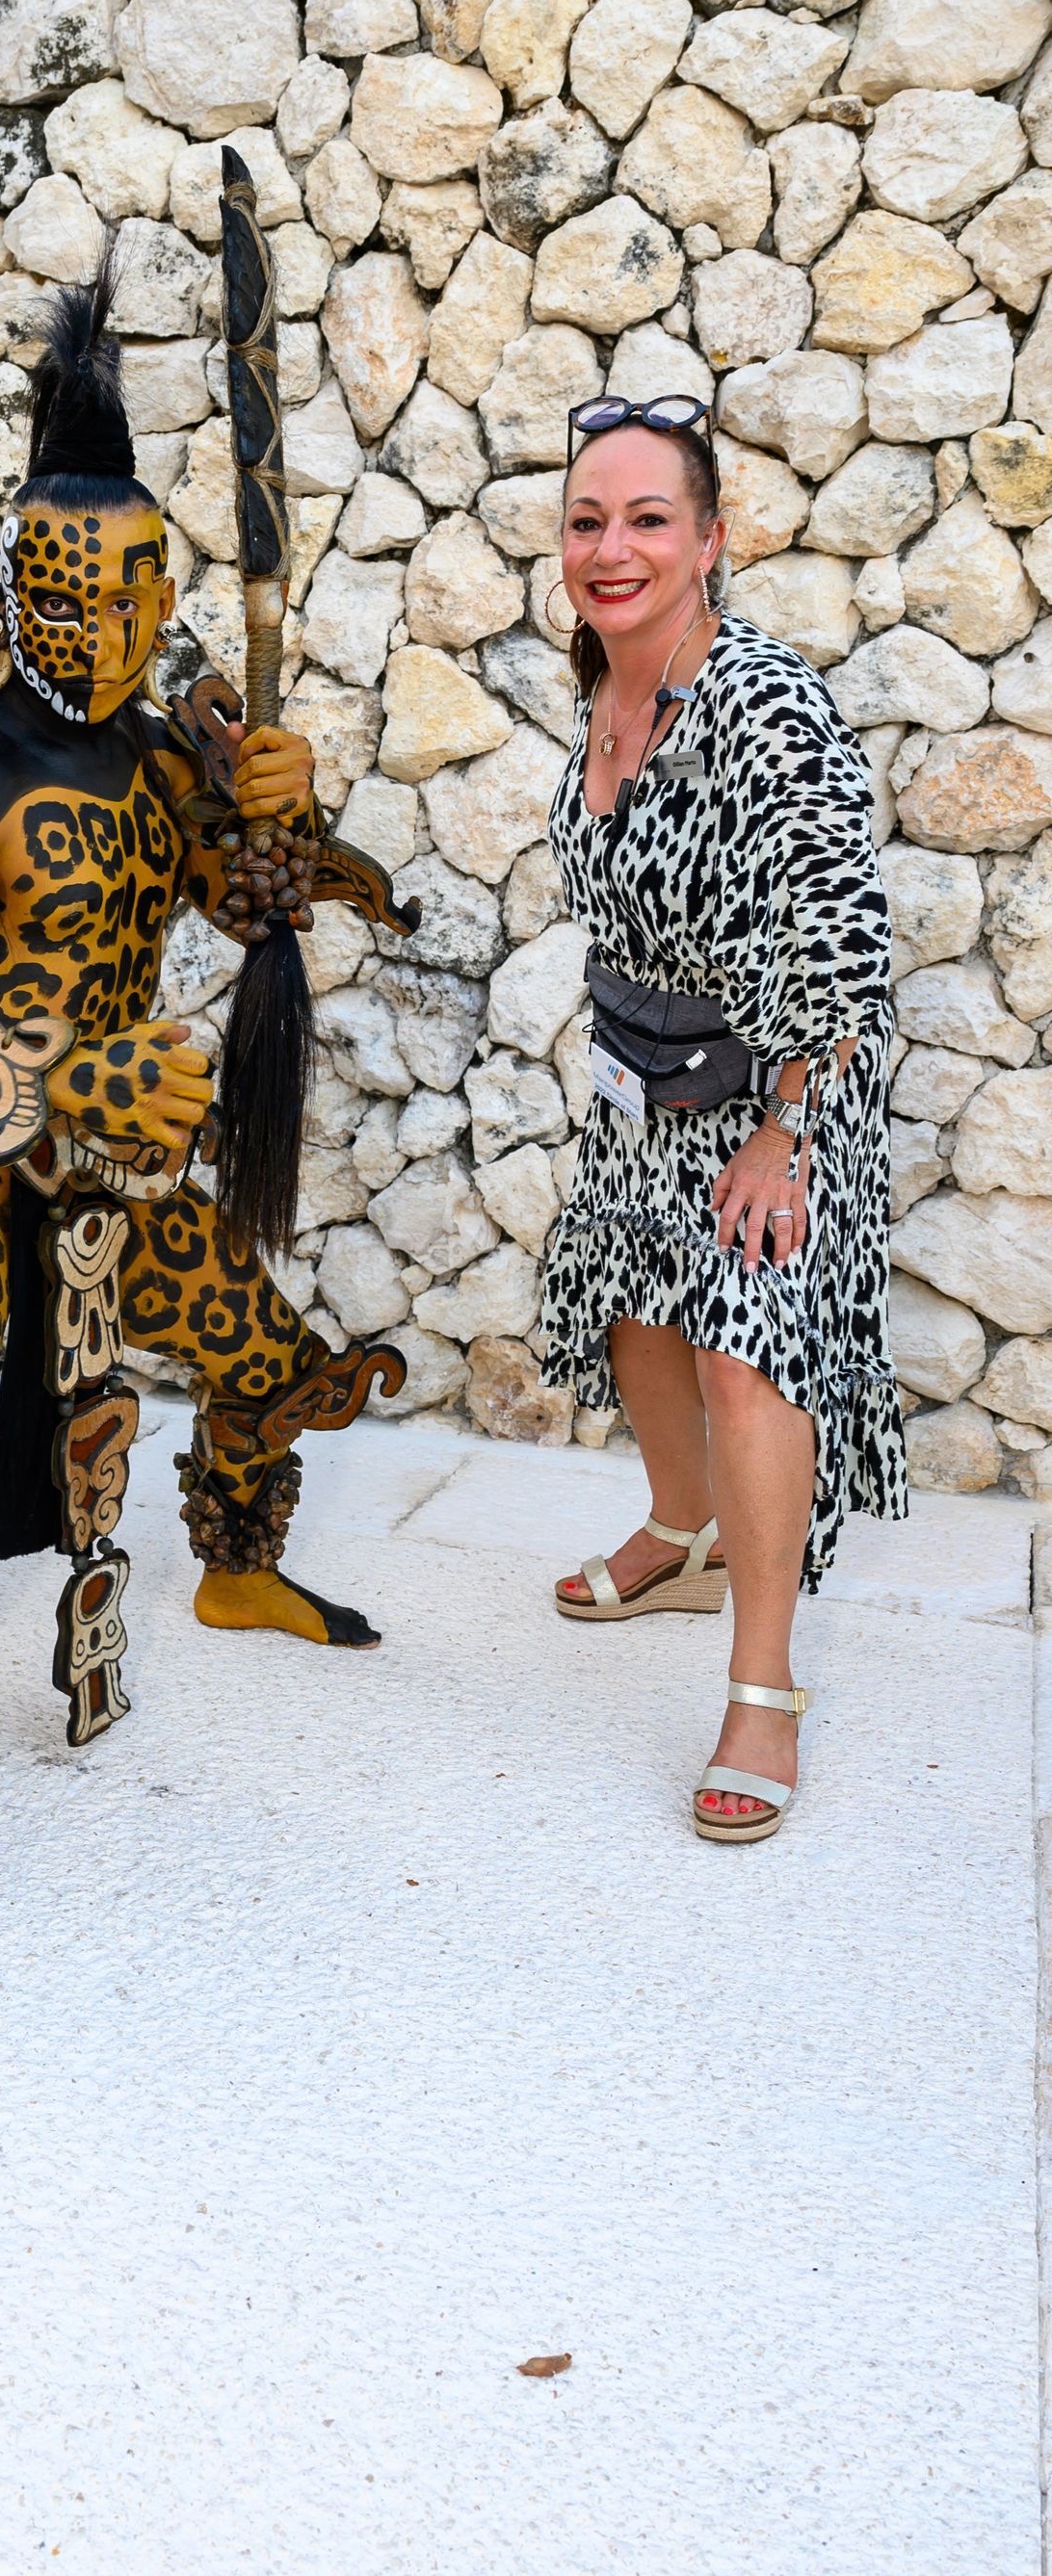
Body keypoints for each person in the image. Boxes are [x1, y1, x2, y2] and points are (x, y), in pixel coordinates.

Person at [0, 264, 411, 1935]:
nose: (110, 631)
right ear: (19, 591)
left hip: (110, 1198)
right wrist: (68, 1073)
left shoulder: (151, 749)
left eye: (138, 599)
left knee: (267, 1354)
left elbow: (242, 885)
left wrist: (279, 803)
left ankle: (233, 1558)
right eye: (80, 597)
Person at [539, 394, 904, 1843]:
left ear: (710, 541)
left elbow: (844, 936)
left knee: (745, 1351)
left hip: (777, 1087)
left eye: (645, 519)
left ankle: (764, 1685)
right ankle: (683, 1535)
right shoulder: (609, 678)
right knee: (636, 1308)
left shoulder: (762, 699)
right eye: (587, 519)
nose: (611, 545)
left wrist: (785, 1136)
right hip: (643, 1075)